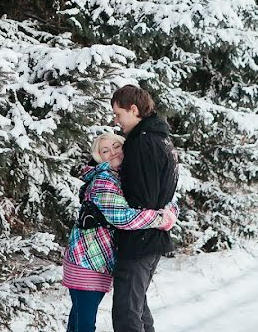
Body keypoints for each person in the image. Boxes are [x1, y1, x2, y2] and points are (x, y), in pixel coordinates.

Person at [62, 132, 177, 332]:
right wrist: (160, 219)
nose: (113, 152)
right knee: (85, 324)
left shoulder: (127, 175)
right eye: (105, 150)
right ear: (99, 157)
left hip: (103, 260)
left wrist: (171, 212)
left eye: (116, 146)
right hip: (87, 260)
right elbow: (121, 216)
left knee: (80, 319)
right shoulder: (104, 180)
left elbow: (163, 195)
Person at [110, 85, 179, 332]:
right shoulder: (161, 140)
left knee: (127, 316)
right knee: (137, 310)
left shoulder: (142, 144)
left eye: (118, 114)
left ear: (134, 109)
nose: (116, 121)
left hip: (138, 242)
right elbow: (166, 196)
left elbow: (142, 200)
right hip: (151, 240)